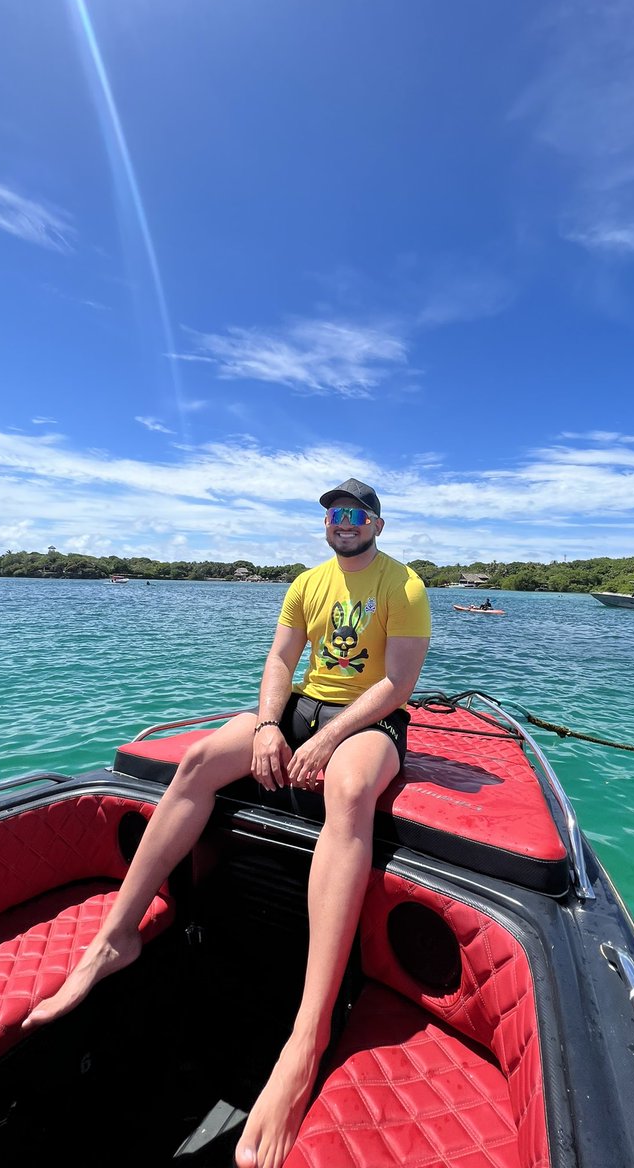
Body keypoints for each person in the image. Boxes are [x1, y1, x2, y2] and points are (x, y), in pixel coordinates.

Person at [22, 477, 431, 1168]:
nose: (344, 522)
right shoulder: (307, 583)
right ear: (326, 524)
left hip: (370, 721)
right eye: (334, 513)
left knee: (351, 788)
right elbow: (280, 659)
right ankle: (114, 938)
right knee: (201, 758)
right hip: (302, 706)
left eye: (357, 513)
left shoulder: (405, 585)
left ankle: (306, 1037)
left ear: (378, 525)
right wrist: (272, 724)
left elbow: (398, 685)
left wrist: (328, 742)